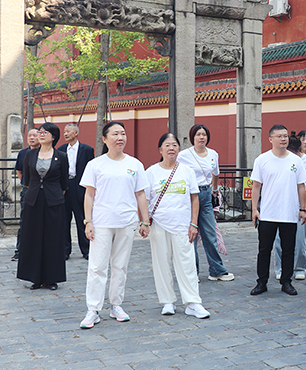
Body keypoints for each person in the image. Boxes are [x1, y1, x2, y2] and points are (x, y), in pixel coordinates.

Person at [79, 121, 151, 329]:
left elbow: (140, 194)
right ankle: (93, 309)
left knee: (120, 266)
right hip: (101, 222)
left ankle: (116, 305)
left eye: (123, 133)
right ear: (104, 139)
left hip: (126, 222)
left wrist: (145, 221)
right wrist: (88, 221)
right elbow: (89, 195)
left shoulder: (135, 164)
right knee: (97, 266)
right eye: (115, 134)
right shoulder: (96, 165)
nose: (120, 138)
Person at [146, 133, 210, 319]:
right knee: (161, 263)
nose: (171, 148)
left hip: (183, 224)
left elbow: (194, 198)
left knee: (187, 263)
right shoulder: (151, 172)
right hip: (159, 224)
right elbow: (145, 199)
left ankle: (193, 302)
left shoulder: (187, 171)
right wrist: (144, 221)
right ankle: (167, 301)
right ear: (160, 149)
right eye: (167, 145)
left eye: (174, 145)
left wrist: (194, 223)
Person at [250, 124, 306, 296]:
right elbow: (256, 186)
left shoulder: (296, 160)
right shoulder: (262, 160)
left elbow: (301, 187)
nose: (283, 139)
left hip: (289, 213)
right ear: (270, 139)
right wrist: (254, 209)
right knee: (264, 250)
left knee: (288, 250)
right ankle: (261, 282)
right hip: (268, 213)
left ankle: (286, 282)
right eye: (279, 136)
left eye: (285, 136)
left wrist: (302, 209)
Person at [177, 124, 234, 282]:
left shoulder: (213, 154)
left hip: (206, 194)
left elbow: (216, 173)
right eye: (198, 134)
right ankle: (192, 272)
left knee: (210, 234)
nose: (201, 137)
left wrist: (214, 190)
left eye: (204, 134)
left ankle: (216, 270)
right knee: (191, 234)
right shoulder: (183, 155)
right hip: (190, 196)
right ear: (192, 137)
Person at [17, 122, 68, 290]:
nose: (41, 134)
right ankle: (35, 278)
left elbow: (64, 183)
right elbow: (27, 178)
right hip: (33, 200)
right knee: (33, 238)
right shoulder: (30, 154)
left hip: (53, 201)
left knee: (53, 239)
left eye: (45, 132)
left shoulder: (61, 156)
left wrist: (54, 195)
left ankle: (52, 279)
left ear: (53, 137)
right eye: (40, 132)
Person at [274, 132, 306, 280]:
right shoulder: (279, 159)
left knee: (300, 236)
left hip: (300, 198)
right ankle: (280, 268)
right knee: (279, 237)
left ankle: (299, 268)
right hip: (282, 198)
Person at [63, 123, 95, 261]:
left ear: (76, 133)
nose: (65, 134)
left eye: (68, 131)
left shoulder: (87, 150)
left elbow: (91, 171)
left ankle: (86, 250)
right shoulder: (61, 150)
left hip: (80, 186)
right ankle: (65, 251)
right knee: (64, 222)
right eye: (64, 131)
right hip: (65, 187)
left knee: (81, 219)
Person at [12, 128, 39, 261]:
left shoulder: (45, 153)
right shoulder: (23, 153)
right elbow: (19, 171)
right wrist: (26, 183)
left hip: (41, 190)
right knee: (24, 221)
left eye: (34, 135)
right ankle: (20, 250)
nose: (31, 138)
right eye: (29, 136)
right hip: (27, 190)